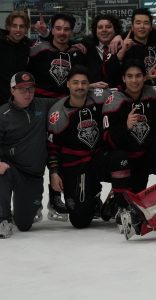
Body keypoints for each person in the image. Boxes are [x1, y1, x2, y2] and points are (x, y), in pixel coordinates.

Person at [47, 66, 131, 228]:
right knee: (80, 221)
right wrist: (54, 172)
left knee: (120, 157)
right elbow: (52, 147)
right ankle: (93, 196)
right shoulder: (57, 113)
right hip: (75, 165)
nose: (80, 86)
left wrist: (146, 78)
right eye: (76, 83)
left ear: (89, 85)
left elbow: (126, 88)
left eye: (84, 83)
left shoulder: (99, 97)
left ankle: (120, 202)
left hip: (98, 157)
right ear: (68, 84)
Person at [101, 59, 156, 193]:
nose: (134, 80)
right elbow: (107, 140)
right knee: (134, 199)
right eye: (130, 76)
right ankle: (118, 201)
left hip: (149, 152)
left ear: (145, 77)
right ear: (123, 78)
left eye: (138, 76)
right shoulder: (113, 101)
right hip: (127, 157)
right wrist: (125, 127)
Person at [0, 72, 58, 238]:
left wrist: (87, 89)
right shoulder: (3, 115)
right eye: (22, 89)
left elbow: (69, 100)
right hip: (13, 170)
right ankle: (2, 219)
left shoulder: (42, 105)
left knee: (25, 224)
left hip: (34, 175)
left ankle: (21, 209)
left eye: (31, 89)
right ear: (12, 90)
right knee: (2, 171)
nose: (27, 93)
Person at [27, 13, 86, 99]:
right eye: (58, 28)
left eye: (66, 29)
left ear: (71, 32)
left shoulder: (78, 52)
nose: (62, 32)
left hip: (67, 102)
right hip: (40, 101)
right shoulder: (37, 50)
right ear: (52, 30)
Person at [81, 14, 122, 88]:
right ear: (95, 31)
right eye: (100, 27)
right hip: (93, 95)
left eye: (108, 27)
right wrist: (89, 86)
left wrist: (120, 36)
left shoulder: (122, 46)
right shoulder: (87, 47)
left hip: (118, 95)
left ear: (115, 29)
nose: (104, 30)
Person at [0, 11, 32, 104]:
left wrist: (46, 34)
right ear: (8, 27)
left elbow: (57, 43)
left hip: (17, 101)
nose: (18, 30)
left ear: (26, 29)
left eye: (22, 26)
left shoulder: (28, 44)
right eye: (14, 26)